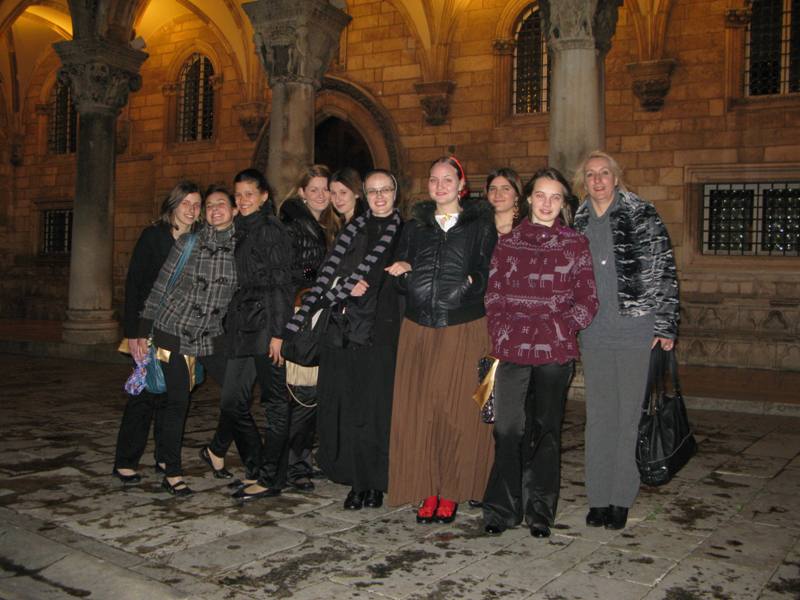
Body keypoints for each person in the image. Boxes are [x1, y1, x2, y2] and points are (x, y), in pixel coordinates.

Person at [482, 167, 598, 538]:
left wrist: (563, 327)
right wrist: (501, 333)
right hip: (513, 349)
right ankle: (503, 508)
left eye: (555, 197)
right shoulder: (508, 242)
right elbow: (494, 294)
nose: (547, 204)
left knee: (546, 431)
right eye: (541, 195)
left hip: (554, 351)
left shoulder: (575, 243)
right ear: (529, 198)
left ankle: (540, 511)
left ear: (563, 203)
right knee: (508, 429)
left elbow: (588, 300)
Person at [385, 156, 497, 524]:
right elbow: (401, 270)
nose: (440, 185)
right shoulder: (415, 226)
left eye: (447, 179)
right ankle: (427, 487)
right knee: (420, 411)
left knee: (458, 411)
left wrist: (467, 286)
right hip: (418, 327)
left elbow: (488, 273)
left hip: (463, 326)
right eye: (433, 179)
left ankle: (452, 489)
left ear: (461, 184)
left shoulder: (480, 226)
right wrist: (403, 274)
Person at [573, 150, 679, 530]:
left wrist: (665, 325)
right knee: (599, 417)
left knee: (628, 418)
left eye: (604, 173)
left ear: (616, 178)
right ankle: (598, 498)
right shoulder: (578, 220)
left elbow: (664, 267)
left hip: (635, 330)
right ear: (583, 182)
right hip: (594, 332)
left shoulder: (642, 214)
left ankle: (620, 497)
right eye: (591, 175)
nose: (598, 180)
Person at [296, 168, 405, 510]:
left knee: (376, 410)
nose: (379, 196)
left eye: (385, 189)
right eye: (373, 191)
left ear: (395, 193)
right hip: (346, 330)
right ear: (365, 195)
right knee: (350, 408)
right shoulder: (348, 230)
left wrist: (407, 267)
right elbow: (321, 272)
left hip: (383, 330)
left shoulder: (407, 231)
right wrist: (342, 284)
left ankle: (375, 481)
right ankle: (357, 480)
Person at [135, 185, 237, 496]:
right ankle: (172, 472)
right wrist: (142, 330)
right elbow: (160, 286)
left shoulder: (242, 246)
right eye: (209, 205)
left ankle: (216, 450)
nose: (214, 209)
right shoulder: (189, 242)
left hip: (212, 332)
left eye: (221, 204)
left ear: (234, 210)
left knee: (237, 394)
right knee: (178, 401)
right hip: (174, 328)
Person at [201, 170, 294, 498]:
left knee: (275, 404)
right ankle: (256, 468)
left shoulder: (270, 229)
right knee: (232, 400)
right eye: (238, 194)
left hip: (266, 326)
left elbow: (282, 282)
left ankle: (271, 478)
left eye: (249, 194)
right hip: (242, 327)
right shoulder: (240, 228)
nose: (242, 200)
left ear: (264, 196)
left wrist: (279, 333)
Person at [113, 181, 202, 484]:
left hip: (182, 329)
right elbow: (135, 285)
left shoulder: (200, 239)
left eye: (196, 204)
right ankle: (126, 460)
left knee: (173, 394)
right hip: (148, 327)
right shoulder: (153, 236)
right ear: (173, 205)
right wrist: (133, 333)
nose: (191, 209)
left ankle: (165, 457)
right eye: (186, 203)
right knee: (146, 393)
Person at [278, 165, 340, 492]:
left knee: (315, 392)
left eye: (325, 189)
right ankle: (295, 465)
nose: (320, 194)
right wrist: (317, 276)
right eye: (313, 189)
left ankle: (304, 458)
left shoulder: (325, 225)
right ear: (302, 192)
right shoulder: (294, 225)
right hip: (304, 314)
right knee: (303, 391)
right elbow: (291, 269)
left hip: (322, 311)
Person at [486, 168, 528, 236]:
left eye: (505, 189)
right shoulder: (477, 227)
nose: (497, 194)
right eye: (492, 189)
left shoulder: (528, 227)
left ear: (517, 195)